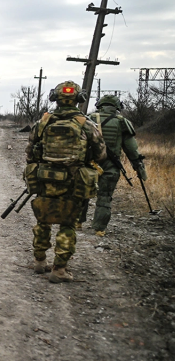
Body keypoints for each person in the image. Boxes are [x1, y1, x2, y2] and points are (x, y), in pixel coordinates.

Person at [24, 80, 106, 283]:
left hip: (45, 180)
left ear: (55, 99)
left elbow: (30, 154)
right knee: (68, 223)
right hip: (74, 181)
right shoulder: (86, 124)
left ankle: (39, 261)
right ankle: (59, 269)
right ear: (79, 99)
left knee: (43, 220)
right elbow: (101, 155)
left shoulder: (43, 122)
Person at [84, 94, 147, 237]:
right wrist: (138, 166)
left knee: (83, 192)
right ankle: (99, 229)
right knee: (105, 196)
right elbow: (131, 148)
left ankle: (78, 223)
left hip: (88, 163)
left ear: (99, 105)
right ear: (117, 107)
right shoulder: (122, 122)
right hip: (111, 164)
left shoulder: (89, 119)